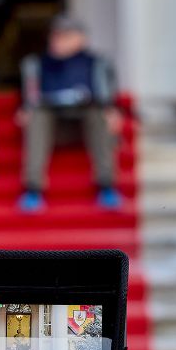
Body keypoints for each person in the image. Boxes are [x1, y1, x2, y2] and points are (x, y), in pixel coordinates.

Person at [16, 15, 123, 213]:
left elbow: (109, 98)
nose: (58, 41)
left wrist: (111, 110)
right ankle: (33, 189)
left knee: (98, 112)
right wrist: (26, 109)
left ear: (81, 39)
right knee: (38, 114)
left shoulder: (96, 63)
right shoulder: (38, 64)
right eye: (55, 36)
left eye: (65, 36)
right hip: (52, 129)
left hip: (86, 129)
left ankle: (107, 185)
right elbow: (27, 99)